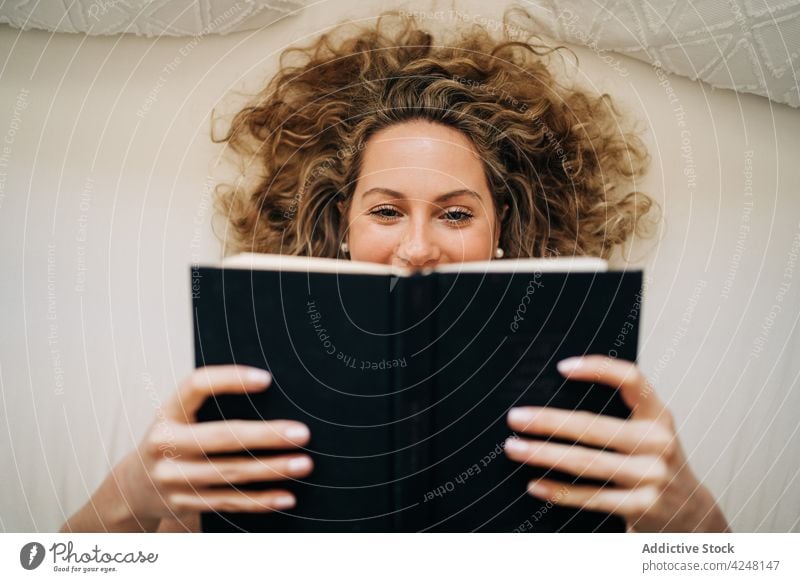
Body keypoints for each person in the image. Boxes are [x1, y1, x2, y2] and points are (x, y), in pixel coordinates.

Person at [60, 11, 730, 533]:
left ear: (503, 231)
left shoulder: (585, 401)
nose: (417, 247)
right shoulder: (247, 402)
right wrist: (132, 498)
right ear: (340, 228)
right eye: (385, 210)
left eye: (456, 214)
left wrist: (693, 524)